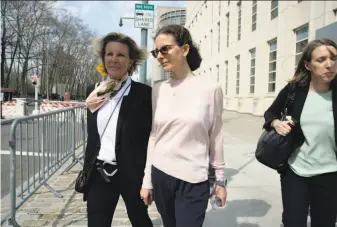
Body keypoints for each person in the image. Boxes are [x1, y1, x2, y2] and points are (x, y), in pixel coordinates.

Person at [140, 24, 227, 227]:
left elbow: (216, 136)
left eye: (166, 49)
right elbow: (155, 136)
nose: (160, 55)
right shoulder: (158, 89)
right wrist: (147, 181)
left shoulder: (210, 89)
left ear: (185, 49)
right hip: (161, 175)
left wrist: (220, 181)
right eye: (156, 51)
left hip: (194, 179)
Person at [263, 38, 337, 227]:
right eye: (321, 60)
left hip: (330, 174)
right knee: (293, 222)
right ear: (308, 65)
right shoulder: (294, 90)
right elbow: (270, 113)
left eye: (334, 58)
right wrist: (276, 123)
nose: (329, 64)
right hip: (295, 171)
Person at [82, 32, 153, 227]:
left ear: (131, 61)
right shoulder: (94, 92)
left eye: (121, 55)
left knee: (140, 220)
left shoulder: (144, 94)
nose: (114, 60)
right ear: (103, 58)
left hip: (132, 174)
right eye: (109, 54)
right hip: (99, 172)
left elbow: (153, 137)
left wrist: (149, 178)